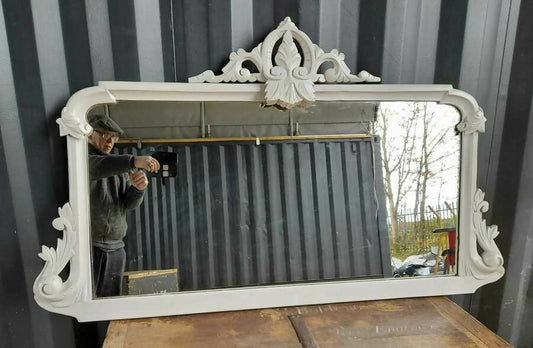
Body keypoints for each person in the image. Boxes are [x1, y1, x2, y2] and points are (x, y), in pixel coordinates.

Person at [87, 114, 160, 297]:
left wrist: (138, 189)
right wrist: (133, 161)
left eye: (114, 137)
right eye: (104, 135)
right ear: (89, 134)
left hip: (116, 247)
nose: (110, 141)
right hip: (90, 246)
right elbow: (92, 167)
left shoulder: (118, 167)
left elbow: (129, 204)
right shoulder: (83, 160)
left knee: (112, 301)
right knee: (89, 301)